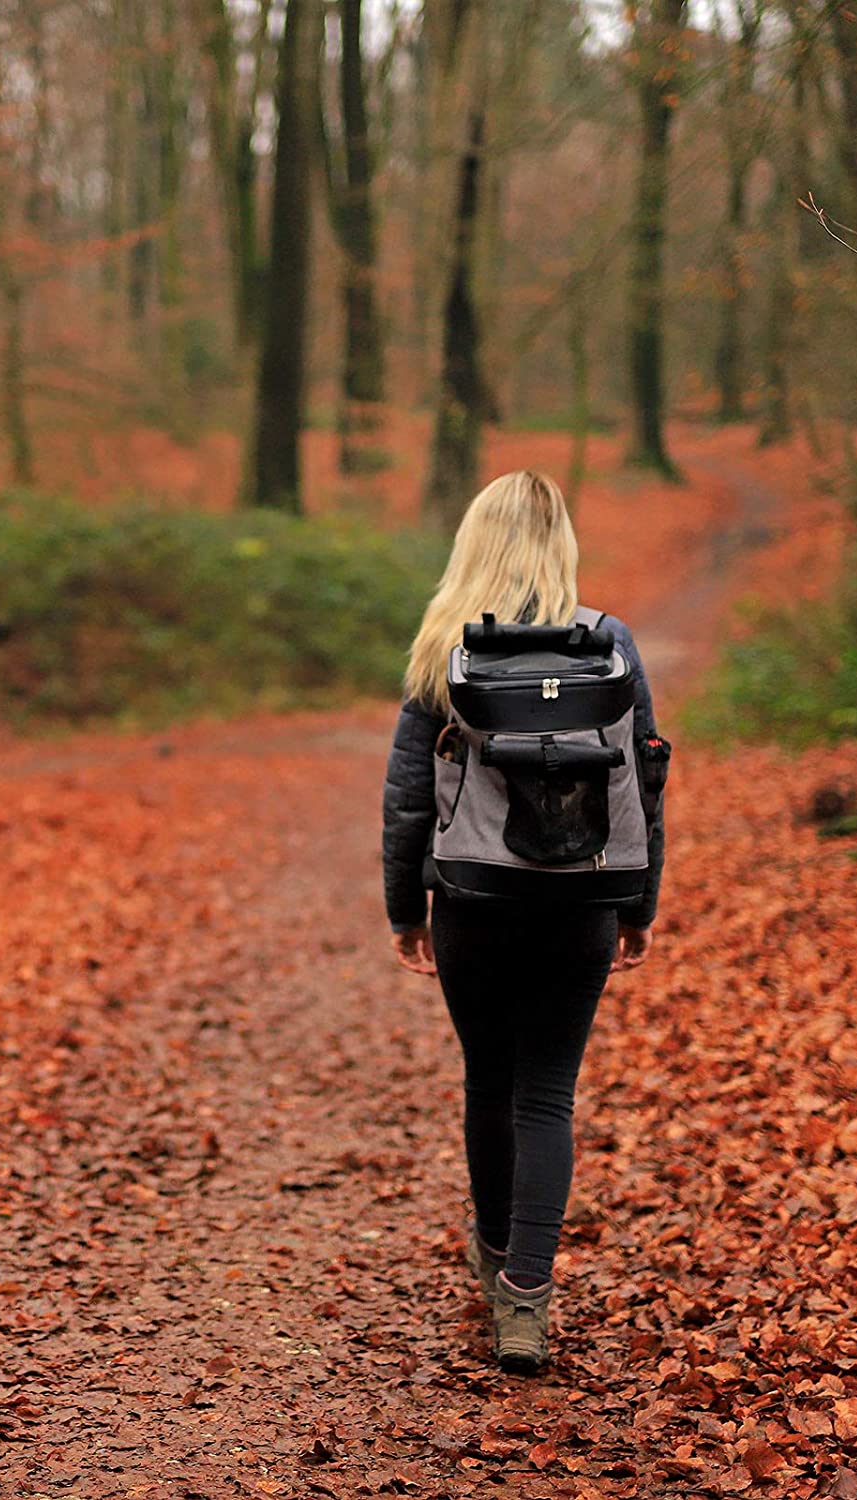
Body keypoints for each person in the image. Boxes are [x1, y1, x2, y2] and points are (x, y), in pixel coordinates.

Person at [380, 469, 665, 1374]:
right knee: (547, 1092)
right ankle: (526, 1303)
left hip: (473, 900)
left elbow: (407, 799)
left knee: (487, 1084)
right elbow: (645, 780)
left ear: (474, 544)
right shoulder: (609, 645)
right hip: (581, 899)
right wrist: (638, 902)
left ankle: (497, 1253)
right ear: (561, 547)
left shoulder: (444, 651)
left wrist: (404, 906)